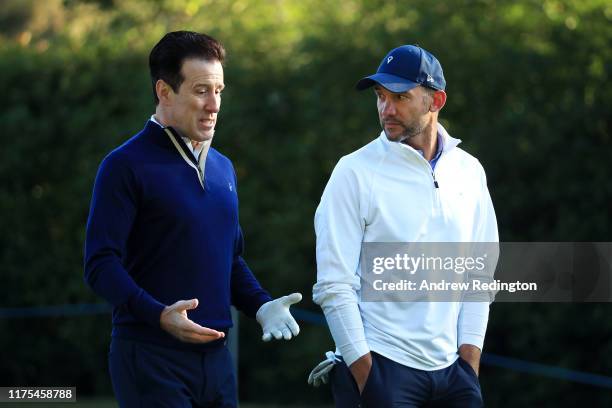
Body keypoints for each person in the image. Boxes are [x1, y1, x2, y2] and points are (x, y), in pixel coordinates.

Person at [84, 31, 302, 408]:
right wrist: (158, 315)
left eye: (219, 90)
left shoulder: (223, 169)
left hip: (218, 362)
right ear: (164, 91)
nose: (214, 104)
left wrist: (261, 305)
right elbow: (100, 264)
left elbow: (229, 259)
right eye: (202, 90)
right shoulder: (123, 166)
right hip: (150, 358)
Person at [312, 45, 498, 407]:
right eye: (381, 97)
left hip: (453, 374)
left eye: (400, 97)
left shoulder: (469, 171)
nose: (386, 109)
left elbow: (480, 274)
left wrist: (469, 364)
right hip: (381, 369)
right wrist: (367, 376)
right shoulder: (353, 172)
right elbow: (334, 285)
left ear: (435, 101)